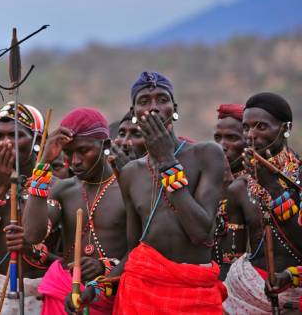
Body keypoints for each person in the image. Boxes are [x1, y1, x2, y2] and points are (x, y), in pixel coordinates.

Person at [114, 72, 226, 314]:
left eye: (161, 99)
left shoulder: (207, 154)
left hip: (196, 295)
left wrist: (167, 160)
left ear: (174, 109)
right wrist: (97, 286)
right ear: (134, 113)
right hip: (140, 292)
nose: (154, 108)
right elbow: (134, 248)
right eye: (144, 101)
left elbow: (200, 232)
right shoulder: (131, 173)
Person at [23, 107, 125, 314]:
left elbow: (140, 247)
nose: (75, 161)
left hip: (112, 296)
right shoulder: (64, 189)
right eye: (68, 153)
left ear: (105, 145)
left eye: (84, 151)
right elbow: (33, 234)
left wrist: (104, 269)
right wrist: (43, 163)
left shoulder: (126, 187)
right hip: (64, 295)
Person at [224, 92, 302, 313]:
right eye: (246, 127)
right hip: (245, 297)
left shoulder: (299, 178)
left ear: (286, 128)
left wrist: (274, 188)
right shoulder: (239, 188)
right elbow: (231, 257)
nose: (250, 135)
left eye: (261, 126)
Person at [0, 102, 50, 314]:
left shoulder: (59, 188)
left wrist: (33, 250)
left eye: (15, 135)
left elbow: (64, 257)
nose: (6, 143)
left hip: (46, 299)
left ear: (38, 141)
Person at [211, 104, 258, 281]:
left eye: (232, 138)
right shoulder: (206, 179)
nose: (222, 146)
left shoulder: (257, 184)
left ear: (249, 140)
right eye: (217, 138)